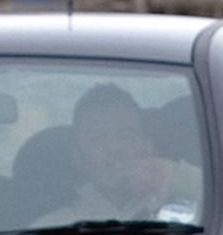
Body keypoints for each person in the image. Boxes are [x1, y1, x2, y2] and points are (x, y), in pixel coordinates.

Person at [41, 85, 203, 224]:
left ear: (148, 148)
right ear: (77, 157)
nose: (114, 148)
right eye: (97, 138)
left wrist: (178, 178)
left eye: (127, 135)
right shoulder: (52, 228)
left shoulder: (195, 212)